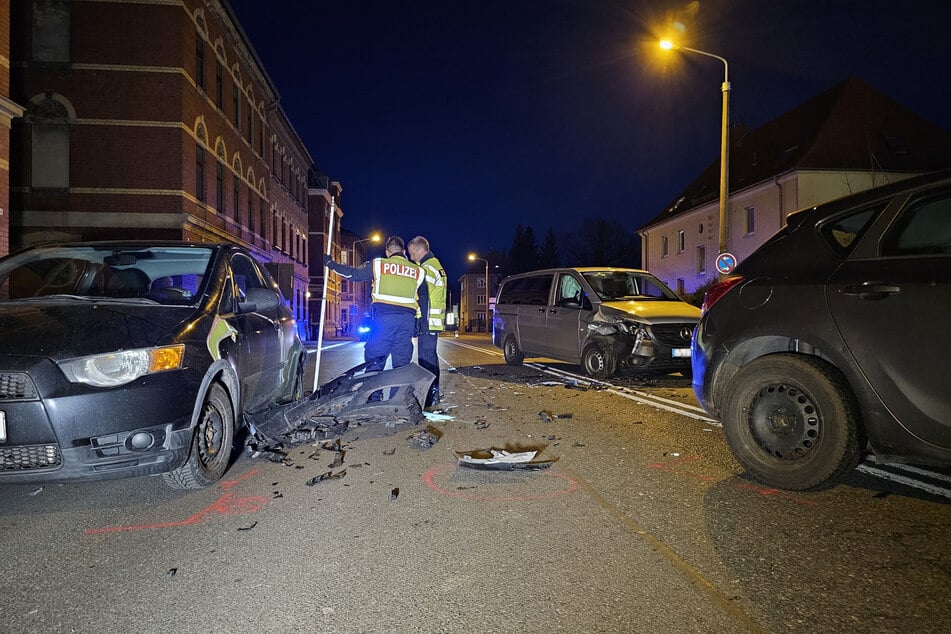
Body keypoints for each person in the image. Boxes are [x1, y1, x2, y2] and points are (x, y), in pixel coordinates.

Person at [323, 236, 423, 373]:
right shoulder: (418, 271)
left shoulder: (378, 264)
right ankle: (399, 394)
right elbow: (421, 297)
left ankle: (375, 394)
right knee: (402, 364)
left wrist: (330, 263)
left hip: (384, 319)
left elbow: (353, 274)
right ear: (404, 252)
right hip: (407, 321)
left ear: (387, 252)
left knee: (375, 358)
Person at [407, 235, 447, 407]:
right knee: (431, 358)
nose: (411, 257)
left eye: (411, 253)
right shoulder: (436, 266)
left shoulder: (425, 269)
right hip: (434, 321)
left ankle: (429, 398)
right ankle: (434, 395)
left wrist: (421, 321)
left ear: (418, 250)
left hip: (428, 321)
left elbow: (424, 298)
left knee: (425, 361)